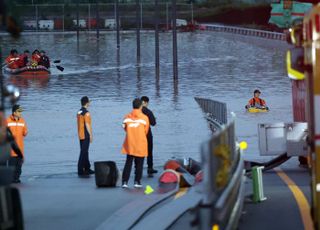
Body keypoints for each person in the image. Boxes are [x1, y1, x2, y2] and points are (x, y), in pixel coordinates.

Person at [121, 98, 149, 188]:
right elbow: (146, 131)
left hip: (130, 143)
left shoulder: (126, 117)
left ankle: (124, 182)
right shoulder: (145, 118)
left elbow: (125, 128)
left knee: (128, 163)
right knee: (139, 164)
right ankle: (137, 181)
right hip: (141, 143)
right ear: (141, 106)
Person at [6, 105, 28, 183]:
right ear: (14, 112)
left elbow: (25, 132)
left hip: (20, 148)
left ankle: (16, 179)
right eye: (19, 111)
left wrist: (25, 131)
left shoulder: (22, 121)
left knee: (19, 167)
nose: (20, 113)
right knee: (11, 166)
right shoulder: (7, 121)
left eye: (21, 112)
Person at [77, 96, 94, 176]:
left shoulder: (79, 112)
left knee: (85, 151)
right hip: (85, 134)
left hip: (80, 134)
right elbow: (87, 124)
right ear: (87, 103)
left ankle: (87, 168)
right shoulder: (86, 113)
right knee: (83, 152)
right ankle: (80, 169)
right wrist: (90, 135)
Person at [141, 96, 157, 177]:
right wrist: (154, 119)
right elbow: (153, 123)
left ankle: (138, 168)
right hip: (147, 134)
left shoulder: (136, 111)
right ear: (146, 102)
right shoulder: (148, 112)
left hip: (138, 134)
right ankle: (149, 168)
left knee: (139, 152)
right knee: (149, 151)